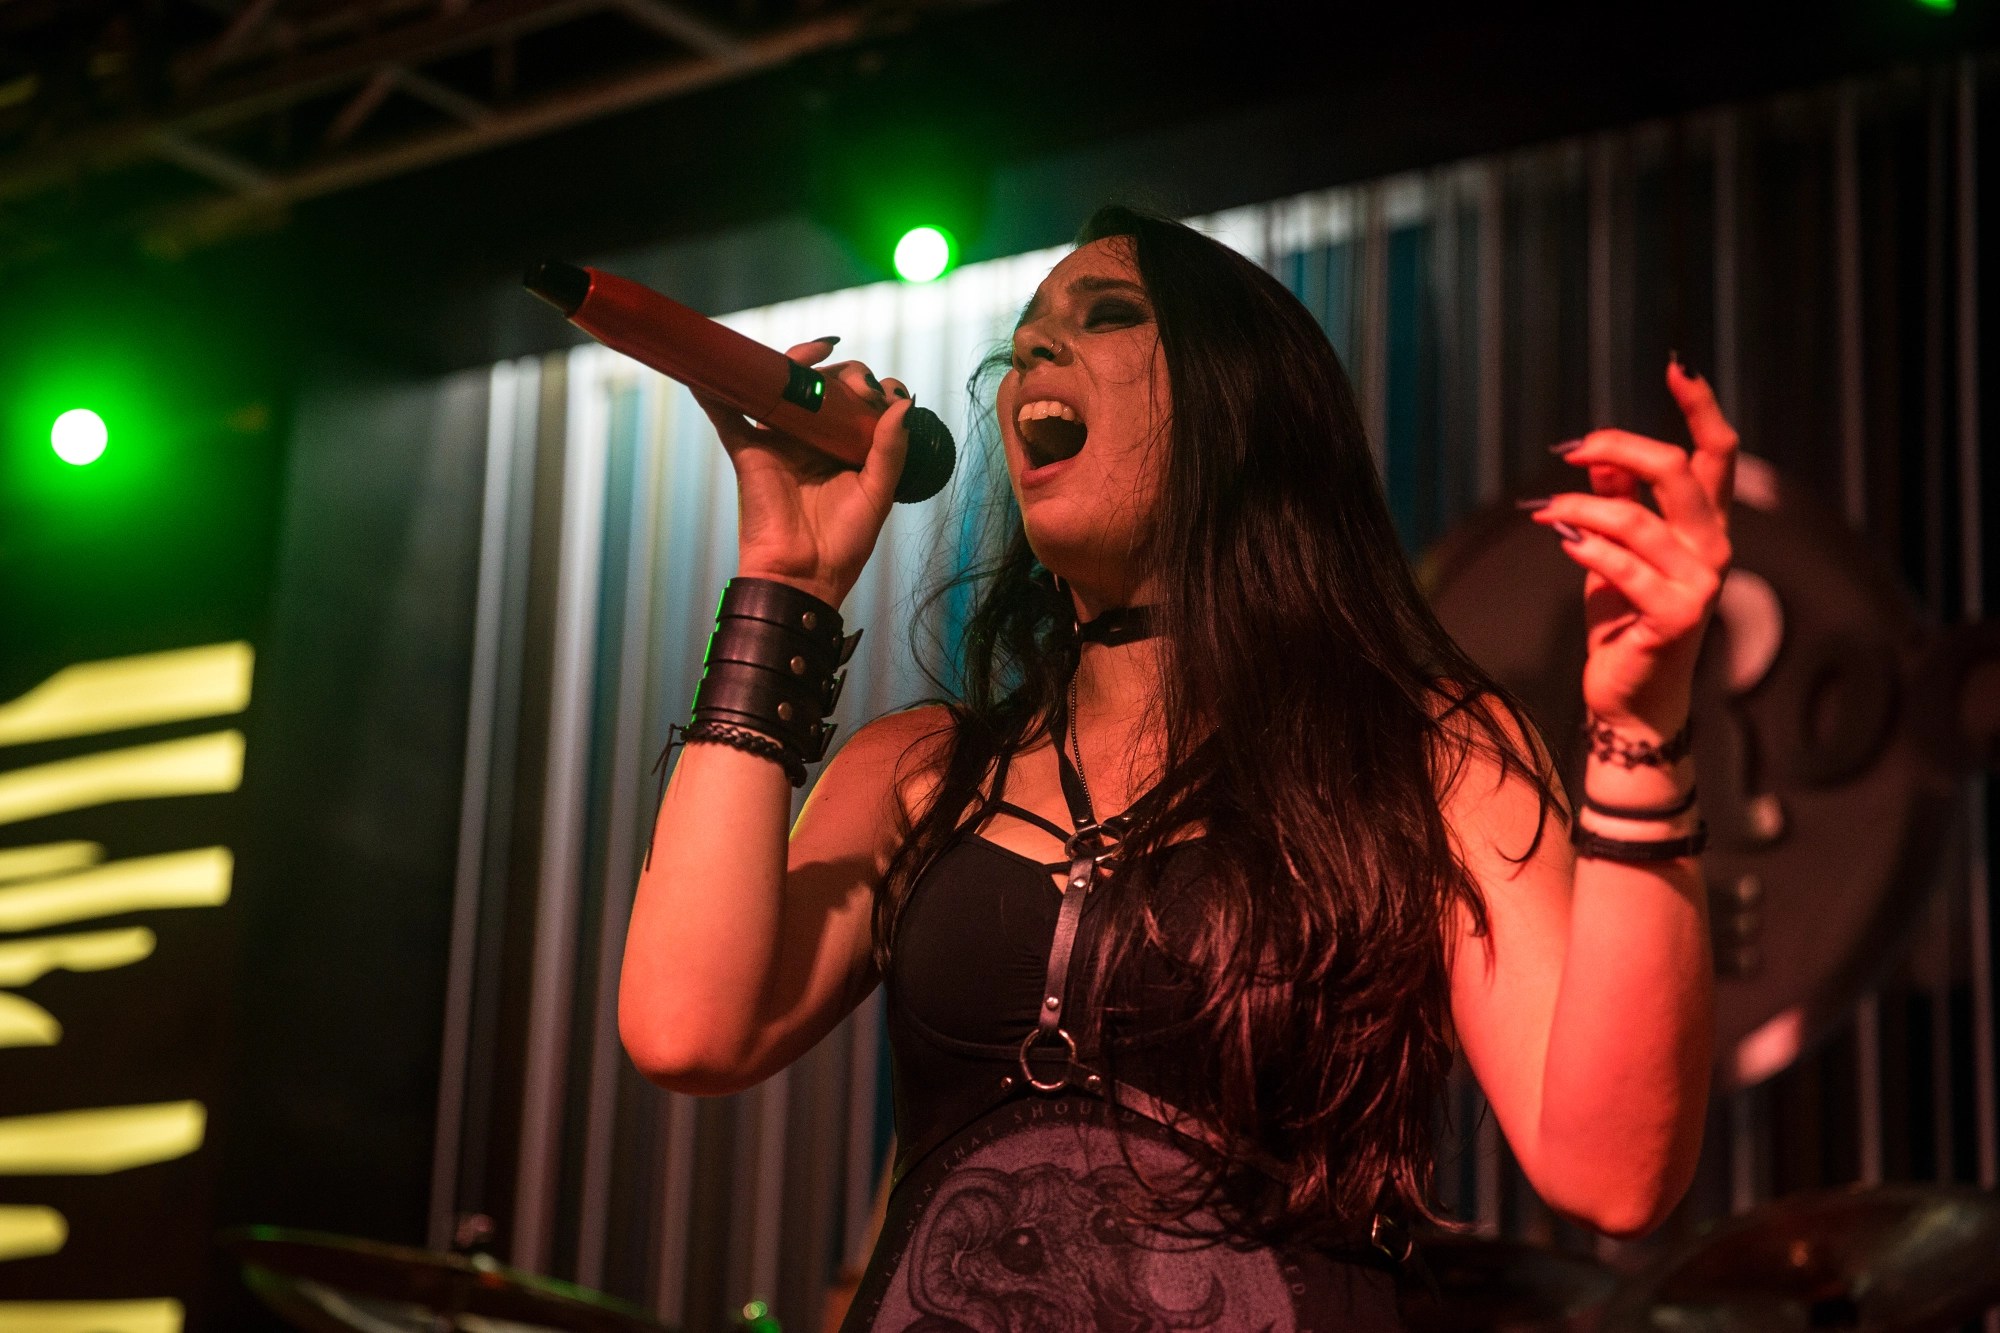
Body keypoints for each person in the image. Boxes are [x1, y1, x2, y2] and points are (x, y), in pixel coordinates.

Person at [619, 206, 1732, 1330]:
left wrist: (1641, 731)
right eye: (1024, 333)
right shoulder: (921, 768)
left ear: (1238, 411)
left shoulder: (1424, 751)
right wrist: (786, 584)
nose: (1032, 349)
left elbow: (1613, 1174)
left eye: (1108, 314)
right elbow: (686, 1027)